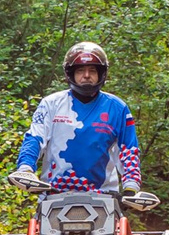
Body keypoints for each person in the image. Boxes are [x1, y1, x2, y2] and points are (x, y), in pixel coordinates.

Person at [10, 40, 143, 194]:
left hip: (104, 197)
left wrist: (131, 187)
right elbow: (35, 137)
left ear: (101, 74)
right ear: (70, 73)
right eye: (80, 70)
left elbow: (129, 151)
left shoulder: (117, 108)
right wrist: (26, 168)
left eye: (92, 70)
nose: (86, 75)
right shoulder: (51, 104)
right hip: (53, 194)